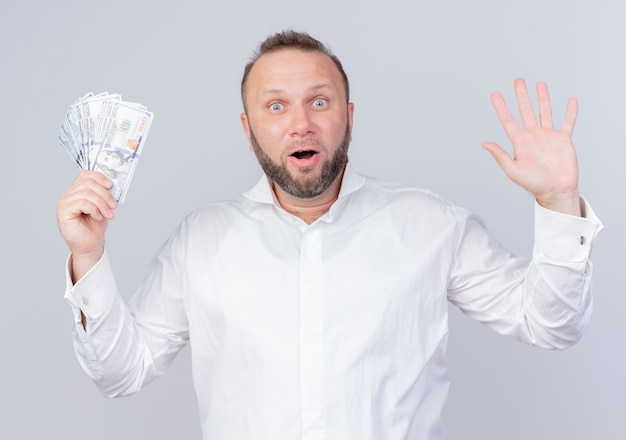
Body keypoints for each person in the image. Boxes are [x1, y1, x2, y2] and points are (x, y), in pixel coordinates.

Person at [57, 30, 603, 439]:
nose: (301, 123)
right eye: (276, 106)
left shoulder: (431, 224)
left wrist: (557, 201)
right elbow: (120, 373)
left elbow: (550, 325)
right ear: (249, 132)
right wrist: (89, 256)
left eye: (319, 101)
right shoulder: (201, 241)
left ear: (348, 116)